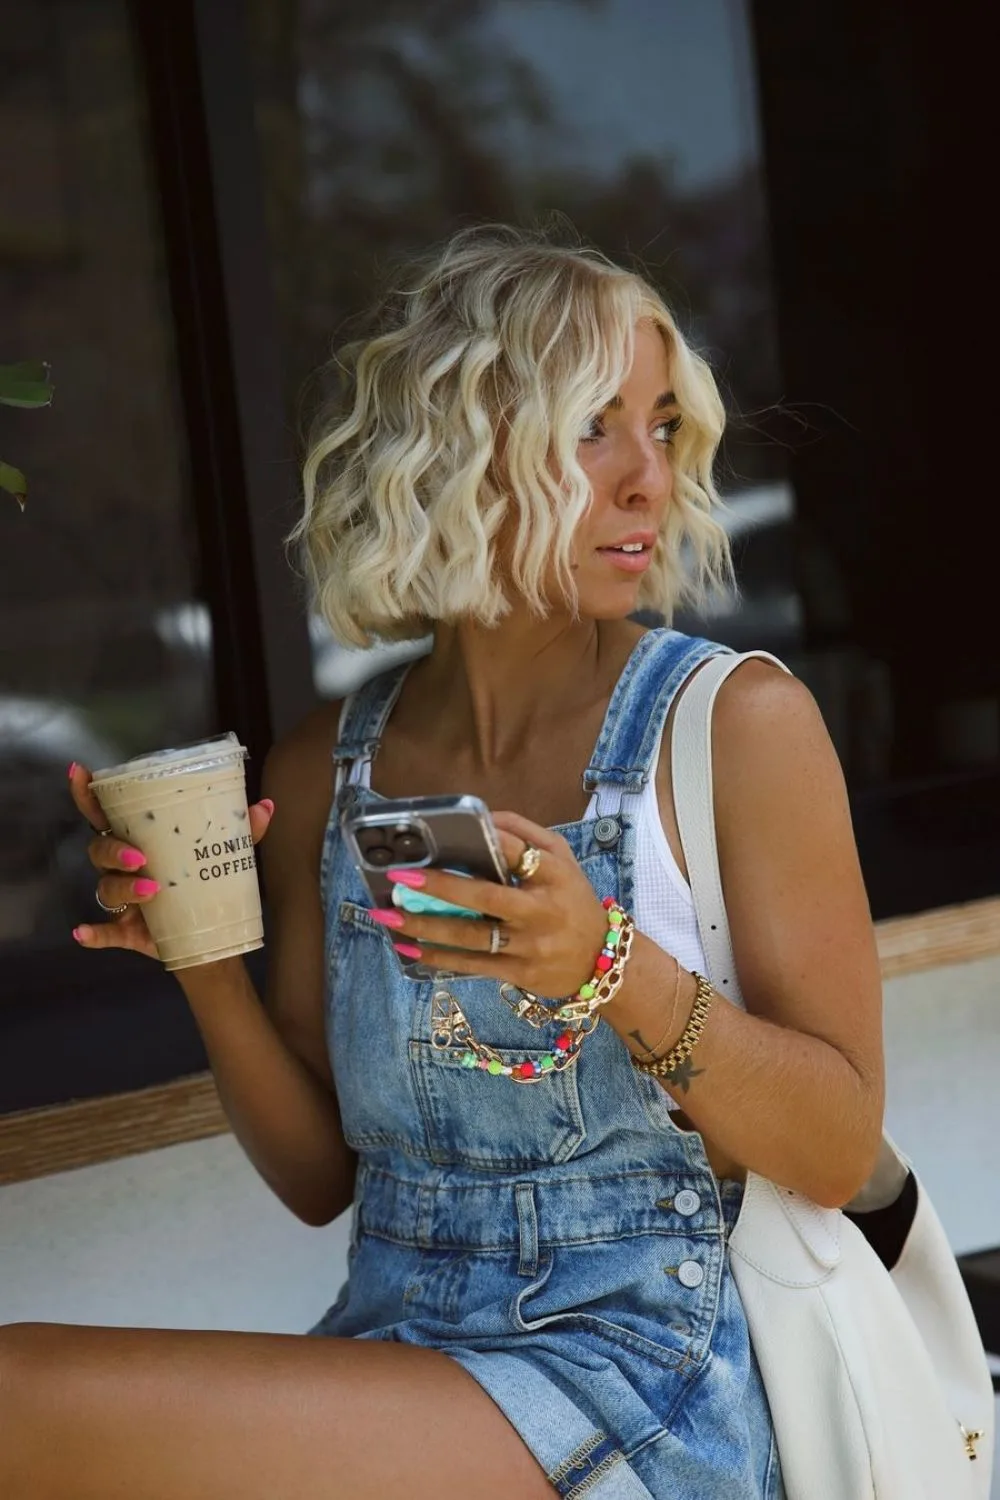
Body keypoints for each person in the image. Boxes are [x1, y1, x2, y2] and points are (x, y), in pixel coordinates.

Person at [1, 224, 885, 1499]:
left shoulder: (735, 724)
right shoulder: (328, 767)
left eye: (662, 424)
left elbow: (840, 1141)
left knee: (24, 1401)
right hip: (399, 1352)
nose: (649, 476)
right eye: (595, 425)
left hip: (637, 1379)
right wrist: (200, 962)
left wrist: (610, 967)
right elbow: (319, 1181)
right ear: (464, 449)